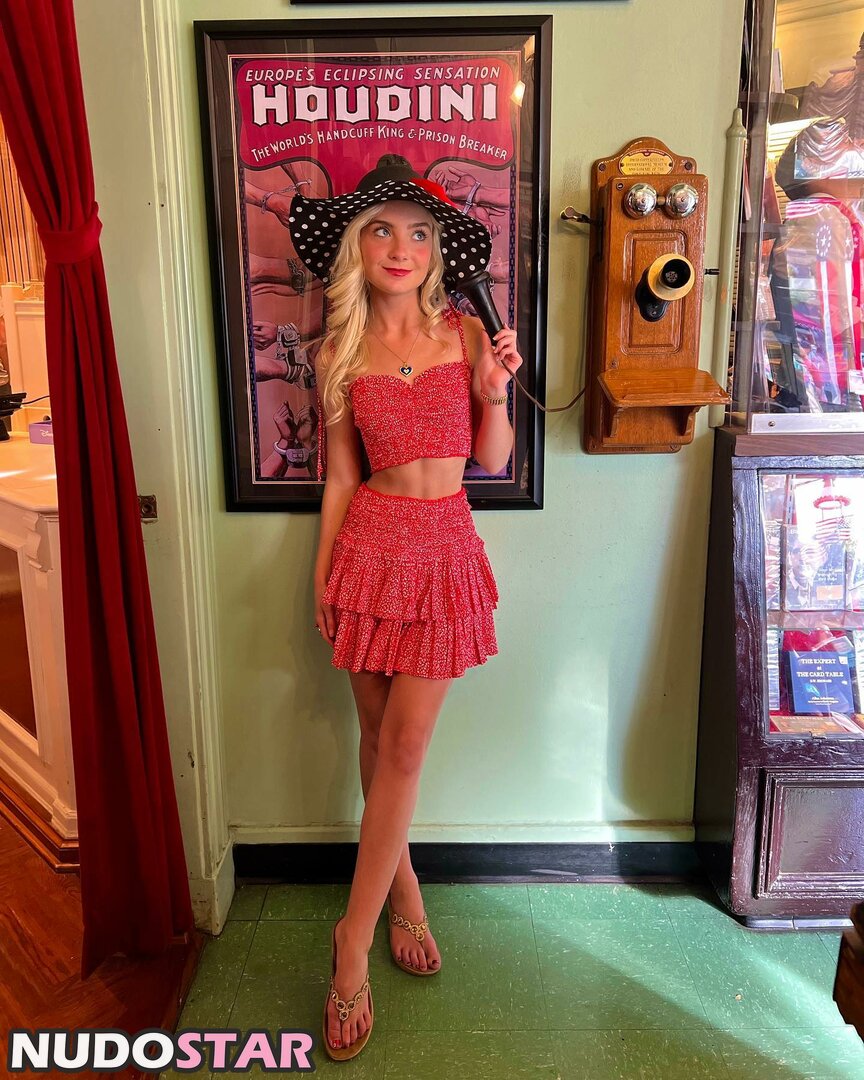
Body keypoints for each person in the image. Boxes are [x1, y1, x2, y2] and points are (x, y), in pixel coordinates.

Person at [289, 153, 523, 1062]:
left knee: (406, 746)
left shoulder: (465, 335)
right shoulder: (338, 353)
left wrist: (494, 393)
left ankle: (350, 939)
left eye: (420, 233)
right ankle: (406, 896)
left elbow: (493, 459)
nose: (401, 247)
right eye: (382, 230)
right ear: (357, 245)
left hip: (444, 547)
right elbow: (340, 477)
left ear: (436, 252)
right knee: (379, 733)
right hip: (369, 549)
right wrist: (323, 575)